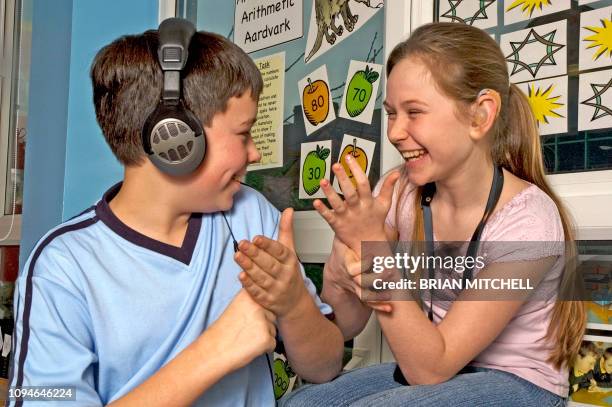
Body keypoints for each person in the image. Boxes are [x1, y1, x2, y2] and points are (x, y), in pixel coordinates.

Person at [8, 19, 343, 406]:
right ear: (176, 139)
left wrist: (293, 303)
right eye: (243, 133)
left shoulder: (252, 216)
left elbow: (325, 367)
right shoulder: (63, 267)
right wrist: (213, 352)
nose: (255, 153)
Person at [282, 22, 585, 406]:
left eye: (414, 112)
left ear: (480, 116)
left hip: (520, 383)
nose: (394, 132)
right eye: (391, 113)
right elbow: (348, 324)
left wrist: (373, 252)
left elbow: (430, 368)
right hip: (439, 368)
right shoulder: (398, 193)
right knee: (303, 403)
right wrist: (342, 272)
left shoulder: (529, 222)